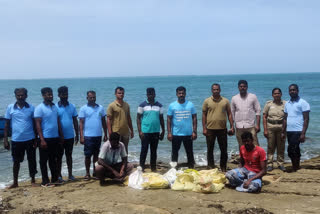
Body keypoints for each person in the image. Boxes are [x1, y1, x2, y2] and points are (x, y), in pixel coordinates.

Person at [3, 88, 37, 188]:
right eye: (18, 95)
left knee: (32, 160)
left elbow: (35, 124)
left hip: (30, 138)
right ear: (15, 96)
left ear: (26, 96)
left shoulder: (31, 108)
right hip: (16, 139)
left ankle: (33, 180)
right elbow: (6, 125)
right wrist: (5, 140)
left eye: (22, 95)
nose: (20, 97)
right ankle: (15, 182)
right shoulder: (10, 108)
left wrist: (36, 139)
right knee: (16, 162)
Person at [34, 87, 64, 186]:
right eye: (48, 94)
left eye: (51, 94)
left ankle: (54, 179)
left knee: (53, 160)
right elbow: (38, 125)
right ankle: (45, 181)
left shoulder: (54, 107)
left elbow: (58, 122)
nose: (50, 96)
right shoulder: (39, 108)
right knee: (43, 161)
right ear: (43, 96)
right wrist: (41, 139)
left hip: (54, 137)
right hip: (44, 138)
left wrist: (61, 135)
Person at [202, 83, 234, 171]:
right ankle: (210, 166)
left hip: (222, 129)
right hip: (210, 129)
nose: (216, 91)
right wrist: (204, 128)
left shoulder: (225, 101)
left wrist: (232, 126)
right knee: (210, 149)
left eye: (217, 89)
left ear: (220, 90)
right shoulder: (207, 101)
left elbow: (229, 114)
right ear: (211, 90)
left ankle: (223, 167)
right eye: (214, 89)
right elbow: (204, 115)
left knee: (223, 149)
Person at [79, 91, 108, 180]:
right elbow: (81, 123)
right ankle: (87, 173)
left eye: (94, 97)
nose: (92, 99)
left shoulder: (101, 108)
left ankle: (95, 172)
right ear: (87, 98)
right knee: (88, 156)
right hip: (88, 136)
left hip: (98, 135)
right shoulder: (83, 109)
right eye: (90, 97)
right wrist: (81, 136)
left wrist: (105, 134)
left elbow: (104, 121)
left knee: (96, 155)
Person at [282, 84, 310, 172]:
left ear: (297, 91)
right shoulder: (287, 103)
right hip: (289, 130)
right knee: (294, 149)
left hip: (298, 130)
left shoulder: (303, 103)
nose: (292, 91)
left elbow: (306, 119)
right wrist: (283, 131)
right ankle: (296, 166)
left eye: (294, 90)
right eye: (290, 90)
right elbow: (285, 119)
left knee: (291, 149)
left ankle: (295, 167)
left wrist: (303, 133)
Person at [167, 86, 197, 168]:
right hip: (176, 133)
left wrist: (194, 131)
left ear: (185, 94)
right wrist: (169, 133)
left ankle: (191, 168)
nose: (181, 95)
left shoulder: (190, 105)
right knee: (174, 153)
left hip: (188, 133)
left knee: (190, 152)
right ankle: (173, 169)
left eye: (183, 93)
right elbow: (169, 119)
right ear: (176, 94)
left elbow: (194, 117)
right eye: (179, 93)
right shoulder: (172, 105)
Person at [137, 88, 165, 171]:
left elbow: (161, 118)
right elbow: (138, 119)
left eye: (152, 94)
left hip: (156, 132)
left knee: (154, 151)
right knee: (144, 150)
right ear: (146, 95)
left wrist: (163, 130)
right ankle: (141, 168)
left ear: (155, 94)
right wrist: (140, 131)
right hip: (145, 132)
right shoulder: (142, 105)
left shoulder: (159, 105)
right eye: (149, 94)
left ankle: (153, 168)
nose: (150, 95)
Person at [56, 86, 79, 182]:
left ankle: (70, 174)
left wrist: (77, 134)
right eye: (62, 94)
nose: (65, 96)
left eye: (66, 94)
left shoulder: (72, 106)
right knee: (59, 157)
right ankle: (59, 175)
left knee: (69, 156)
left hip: (70, 136)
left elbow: (75, 121)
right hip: (58, 137)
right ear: (59, 95)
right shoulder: (55, 107)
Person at [231, 80, 261, 148]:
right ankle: (243, 158)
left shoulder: (253, 96)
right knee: (241, 146)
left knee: (255, 144)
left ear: (247, 87)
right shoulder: (234, 98)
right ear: (238, 87)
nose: (242, 88)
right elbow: (232, 113)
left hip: (250, 125)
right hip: (239, 126)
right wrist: (232, 126)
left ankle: (257, 158)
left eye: (244, 86)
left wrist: (258, 125)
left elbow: (258, 111)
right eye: (241, 86)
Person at [263, 88, 286, 172]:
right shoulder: (268, 104)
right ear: (272, 95)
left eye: (278, 93)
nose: (277, 95)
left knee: (281, 146)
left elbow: (287, 117)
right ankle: (269, 164)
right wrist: (265, 129)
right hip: (271, 127)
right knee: (270, 146)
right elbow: (264, 117)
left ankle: (280, 163)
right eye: (275, 93)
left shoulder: (285, 104)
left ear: (281, 94)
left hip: (281, 127)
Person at [107, 87, 134, 153]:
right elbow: (108, 119)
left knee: (125, 150)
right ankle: (116, 163)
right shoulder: (111, 105)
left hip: (125, 132)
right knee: (115, 150)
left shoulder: (127, 105)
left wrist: (132, 130)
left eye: (122, 93)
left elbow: (129, 118)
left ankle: (125, 163)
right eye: (119, 93)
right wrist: (110, 132)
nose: (121, 94)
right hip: (116, 132)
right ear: (115, 94)